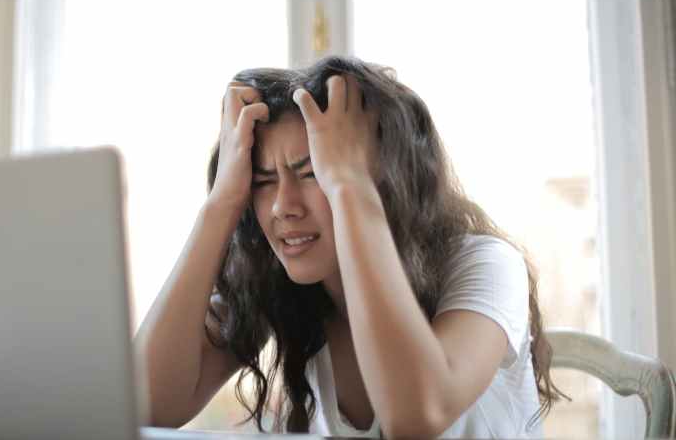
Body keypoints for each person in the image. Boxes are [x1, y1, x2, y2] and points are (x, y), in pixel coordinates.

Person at [135, 56, 565, 438]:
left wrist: (350, 187)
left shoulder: (487, 263)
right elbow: (145, 406)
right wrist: (221, 204)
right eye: (263, 181)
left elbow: (417, 416)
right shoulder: (279, 284)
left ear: (384, 178)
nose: (284, 206)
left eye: (313, 173)